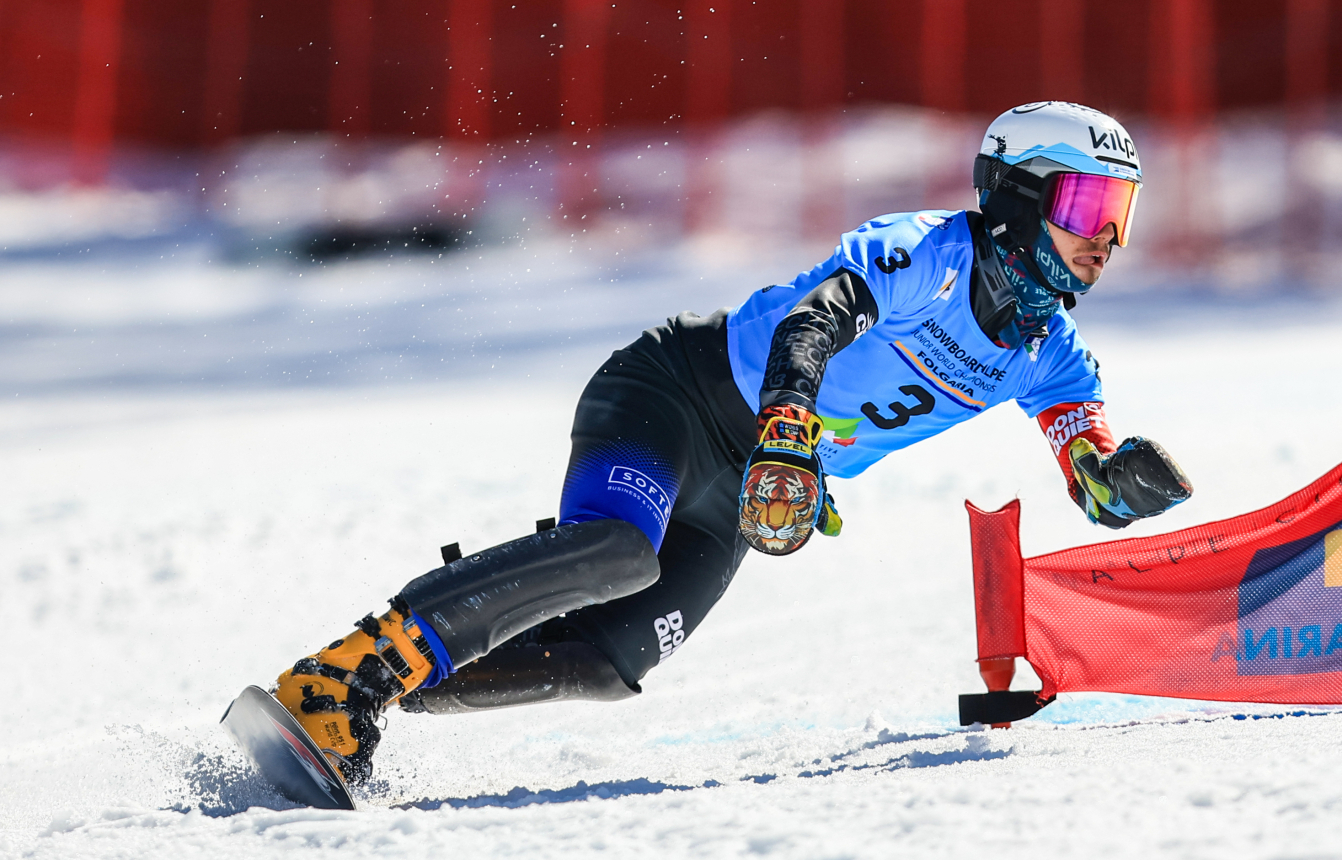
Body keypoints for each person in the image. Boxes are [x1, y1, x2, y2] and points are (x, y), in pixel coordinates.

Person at [267, 101, 1193, 782]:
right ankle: (340, 677)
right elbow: (813, 325)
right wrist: (788, 422)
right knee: (617, 552)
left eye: (1121, 216)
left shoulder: (1053, 359)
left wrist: (1121, 484)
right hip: (678, 395)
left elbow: (1091, 473)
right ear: (1020, 198)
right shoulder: (929, 253)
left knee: (609, 660)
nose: (1104, 239)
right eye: (1083, 208)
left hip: (749, 493)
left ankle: (380, 694)